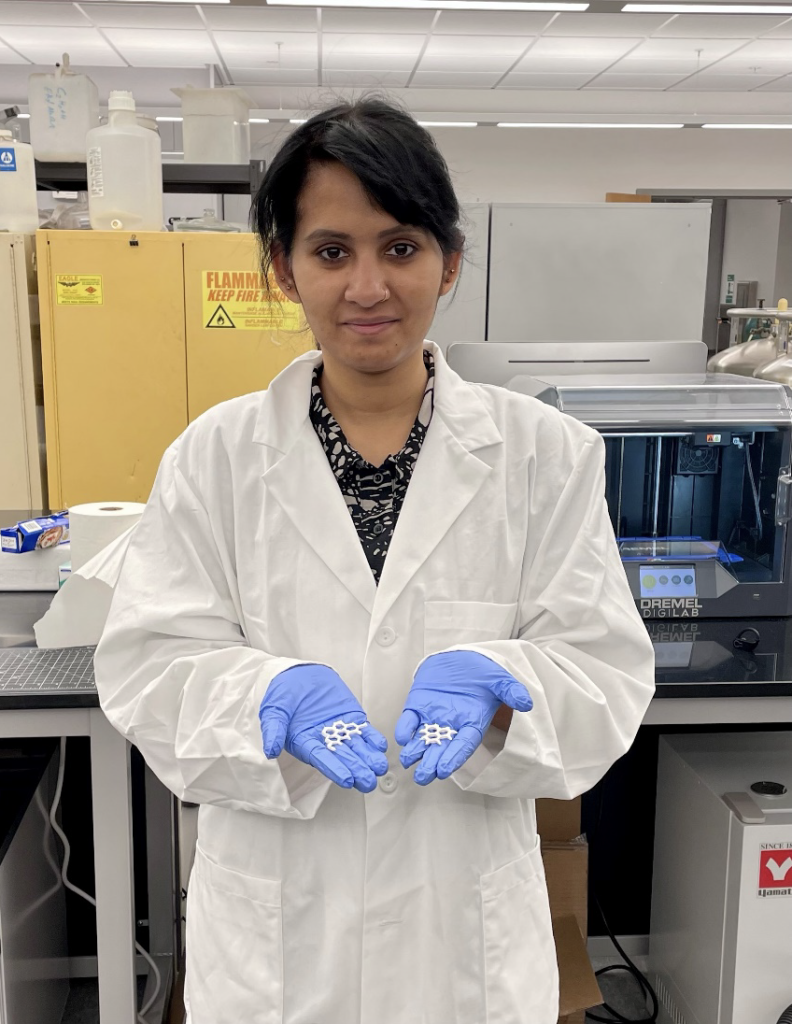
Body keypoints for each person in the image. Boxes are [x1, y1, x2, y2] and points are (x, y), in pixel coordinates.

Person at [94, 97, 655, 1024]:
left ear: (450, 264)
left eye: (400, 248)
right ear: (284, 270)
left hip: (461, 938)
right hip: (280, 932)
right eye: (330, 251)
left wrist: (503, 682)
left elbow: (604, 676)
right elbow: (148, 668)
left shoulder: (547, 455)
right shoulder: (215, 456)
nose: (367, 286)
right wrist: (260, 700)